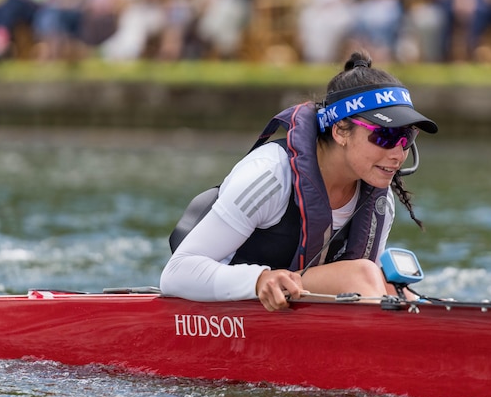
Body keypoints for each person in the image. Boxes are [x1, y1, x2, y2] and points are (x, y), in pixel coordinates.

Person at [160, 51, 438, 311]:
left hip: (293, 309)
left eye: (407, 138)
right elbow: (176, 274)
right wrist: (258, 280)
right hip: (220, 310)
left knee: (396, 289)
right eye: (385, 137)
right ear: (341, 131)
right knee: (362, 274)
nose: (398, 154)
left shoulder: (381, 201)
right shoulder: (269, 175)